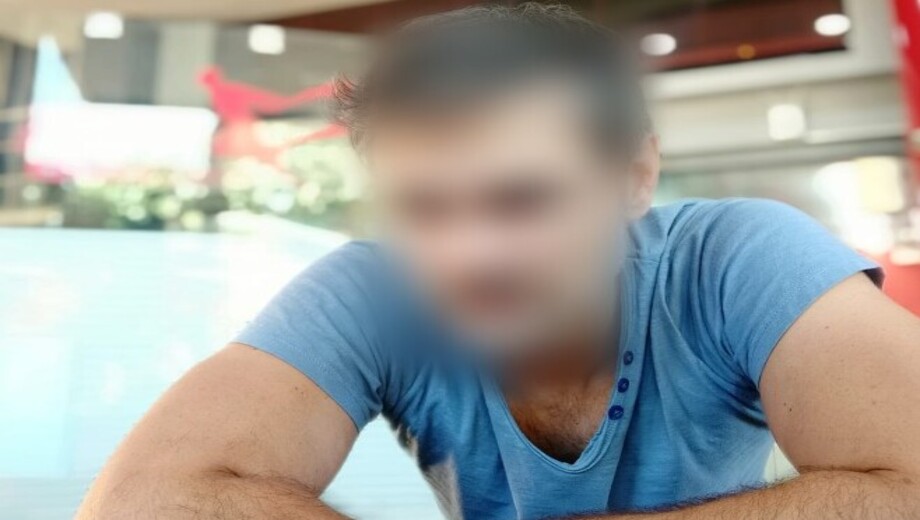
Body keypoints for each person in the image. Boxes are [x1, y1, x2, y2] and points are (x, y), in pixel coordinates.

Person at [78, 4, 920, 519]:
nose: (469, 255)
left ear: (633, 177)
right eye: (423, 208)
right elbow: (139, 501)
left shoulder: (736, 256)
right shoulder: (370, 290)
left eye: (522, 200)